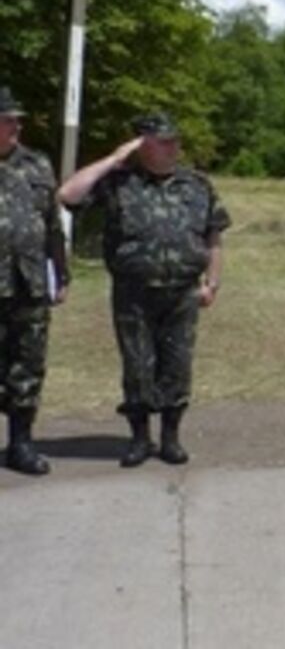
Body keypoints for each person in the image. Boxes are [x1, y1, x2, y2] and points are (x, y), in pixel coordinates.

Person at [59, 112, 230, 466]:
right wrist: (115, 158)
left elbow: (214, 236)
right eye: (164, 142)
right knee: (137, 367)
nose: (174, 148)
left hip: (182, 294)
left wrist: (212, 283)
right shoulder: (119, 182)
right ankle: (139, 439)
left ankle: (170, 439)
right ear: (143, 146)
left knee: (177, 368)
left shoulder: (197, 185)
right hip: (133, 295)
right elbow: (68, 194)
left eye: (175, 141)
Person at [0, 87, 69, 475]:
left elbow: (52, 227)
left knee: (27, 366)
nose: (17, 126)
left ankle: (21, 445)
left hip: (28, 285)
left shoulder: (37, 164)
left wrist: (61, 274)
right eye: (9, 119)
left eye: (17, 119)